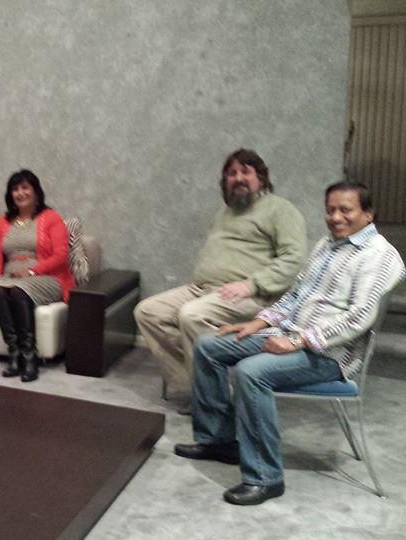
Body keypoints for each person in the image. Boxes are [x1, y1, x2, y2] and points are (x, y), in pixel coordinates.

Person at [174, 181, 405, 505]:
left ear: (368, 214)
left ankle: (265, 478)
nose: (335, 217)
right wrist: (259, 322)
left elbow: (359, 317)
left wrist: (298, 340)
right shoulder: (327, 244)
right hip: (289, 334)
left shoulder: (380, 256)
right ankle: (219, 441)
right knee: (209, 346)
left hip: (331, 355)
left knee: (252, 372)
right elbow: (296, 295)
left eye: (346, 210)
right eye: (330, 210)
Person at [133, 148, 307, 411]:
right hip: (202, 290)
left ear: (261, 177)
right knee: (148, 312)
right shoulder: (226, 211)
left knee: (191, 316)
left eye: (245, 172)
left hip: (251, 296)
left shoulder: (280, 209)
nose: (238, 178)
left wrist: (251, 285)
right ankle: (199, 387)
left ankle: (213, 403)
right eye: (231, 173)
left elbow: (293, 259)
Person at [0, 169, 74, 383]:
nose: (20, 193)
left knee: (18, 291)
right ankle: (14, 353)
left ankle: (30, 356)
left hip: (47, 277)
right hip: (11, 277)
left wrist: (32, 271)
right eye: (15, 189)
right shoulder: (3, 221)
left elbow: (61, 255)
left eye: (25, 188)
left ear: (35, 191)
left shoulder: (51, 217)